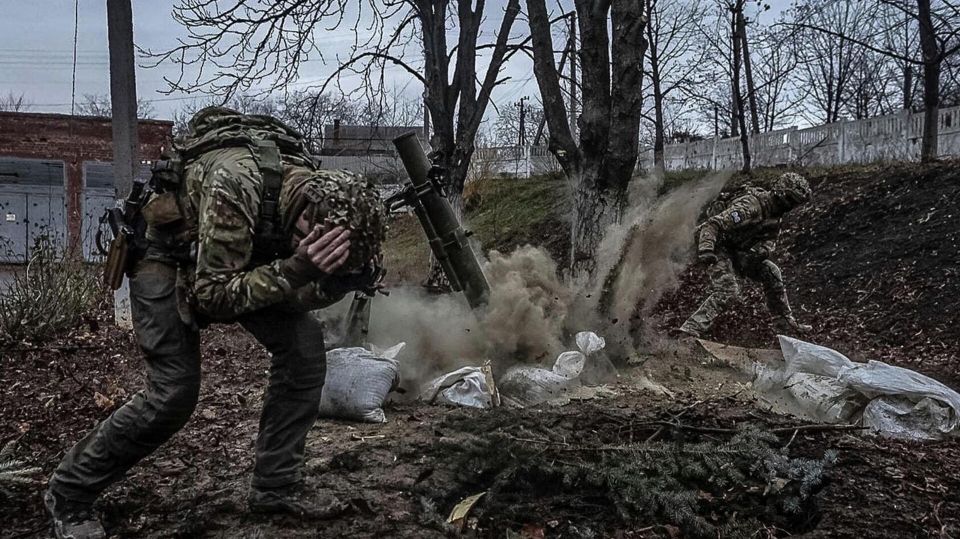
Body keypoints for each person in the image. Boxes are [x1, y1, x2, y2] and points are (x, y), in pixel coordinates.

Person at [43, 107, 387, 539]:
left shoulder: (329, 198)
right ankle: (69, 493)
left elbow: (294, 292)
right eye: (323, 253)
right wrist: (298, 269)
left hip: (238, 260)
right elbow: (215, 296)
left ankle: (275, 487)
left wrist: (337, 280)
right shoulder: (236, 183)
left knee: (303, 352)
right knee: (173, 392)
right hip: (166, 254)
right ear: (304, 223)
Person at [677, 173, 813, 339]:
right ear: (781, 194)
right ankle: (689, 331)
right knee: (728, 290)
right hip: (716, 244)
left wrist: (763, 251)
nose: (791, 206)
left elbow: (770, 239)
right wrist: (707, 250)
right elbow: (713, 224)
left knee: (772, 272)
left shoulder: (774, 215)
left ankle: (784, 324)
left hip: (737, 250)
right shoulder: (750, 207)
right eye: (791, 200)